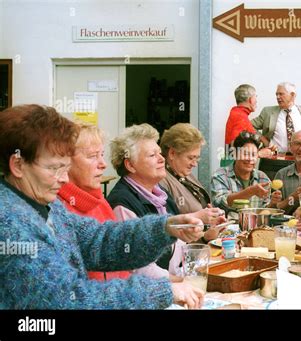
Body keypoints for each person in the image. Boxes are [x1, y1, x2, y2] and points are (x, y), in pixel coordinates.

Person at [0, 104, 204, 309]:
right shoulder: (9, 226)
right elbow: (68, 301)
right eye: (54, 168)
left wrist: (163, 228)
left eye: (65, 167)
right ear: (17, 165)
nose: (64, 179)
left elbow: (99, 240)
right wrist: (161, 291)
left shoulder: (45, 205)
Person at [107, 123, 224, 279]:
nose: (162, 159)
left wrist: (204, 236)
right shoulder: (122, 203)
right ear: (130, 165)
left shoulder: (160, 195)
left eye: (159, 153)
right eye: (152, 155)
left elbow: (177, 246)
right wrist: (180, 282)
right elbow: (138, 268)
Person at [57, 122, 131, 281]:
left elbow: (122, 265)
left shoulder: (100, 202)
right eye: (92, 156)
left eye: (102, 154)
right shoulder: (56, 210)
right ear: (66, 162)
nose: (103, 164)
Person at [159, 123, 224, 243]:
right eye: (190, 158)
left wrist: (212, 220)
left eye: (197, 158)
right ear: (172, 153)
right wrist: (201, 219)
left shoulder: (184, 173)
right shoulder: (161, 180)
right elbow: (165, 227)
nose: (194, 164)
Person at [251, 82, 301, 152]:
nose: (278, 97)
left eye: (281, 94)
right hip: (275, 158)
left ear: (292, 95)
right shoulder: (268, 112)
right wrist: (264, 140)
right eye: (276, 94)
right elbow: (248, 125)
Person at [211, 131, 282, 211]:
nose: (250, 159)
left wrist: (273, 203)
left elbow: (263, 211)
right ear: (235, 154)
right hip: (228, 222)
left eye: (253, 155)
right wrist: (250, 191)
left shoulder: (262, 177)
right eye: (245, 154)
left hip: (256, 223)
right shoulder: (220, 176)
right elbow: (220, 203)